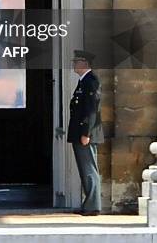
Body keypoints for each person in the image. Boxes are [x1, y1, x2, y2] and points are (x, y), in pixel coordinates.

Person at [67, 49, 104, 216]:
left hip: (85, 133)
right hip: (80, 132)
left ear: (86, 64)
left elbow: (91, 110)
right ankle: (88, 203)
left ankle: (93, 206)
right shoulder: (83, 81)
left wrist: (86, 133)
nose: (74, 63)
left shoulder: (90, 81)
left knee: (89, 169)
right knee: (85, 170)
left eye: (77, 61)